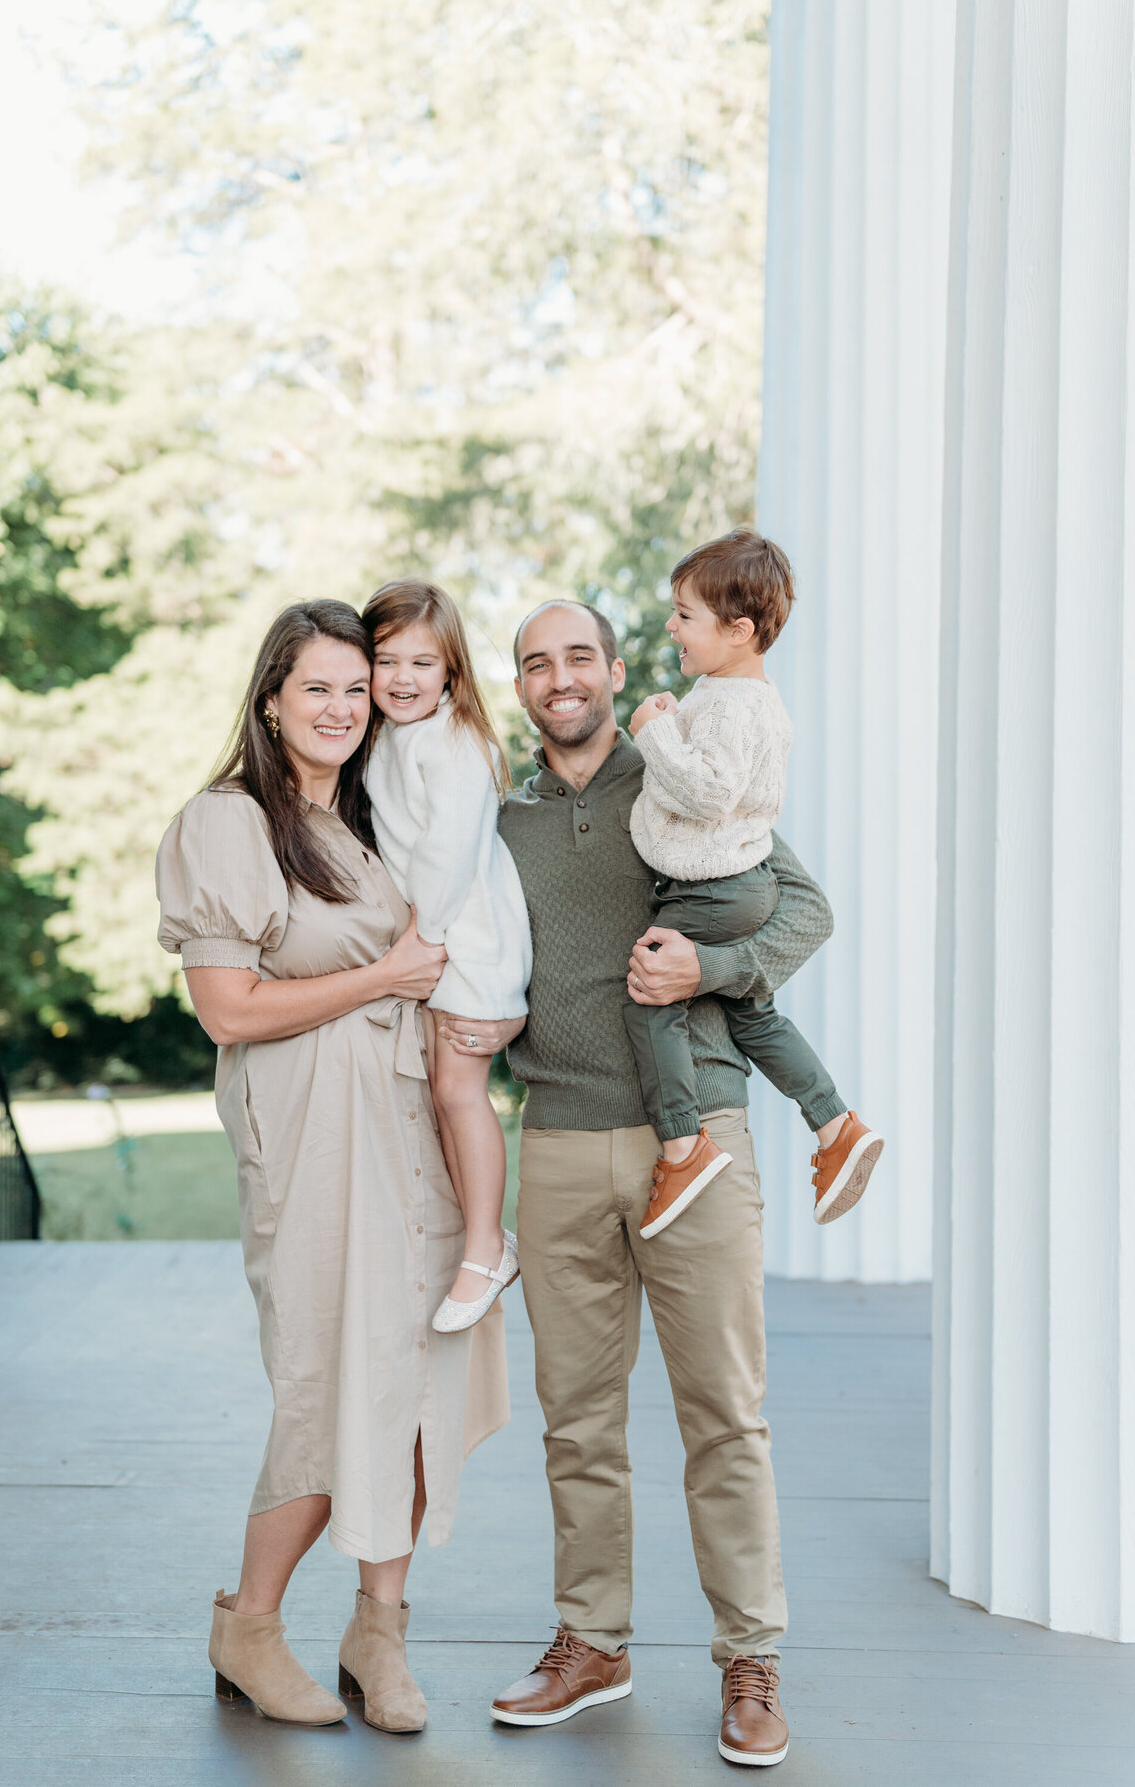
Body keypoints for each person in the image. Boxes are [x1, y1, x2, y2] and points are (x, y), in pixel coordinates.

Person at [436, 600, 833, 1768]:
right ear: (519, 688)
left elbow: (804, 908)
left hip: (693, 1138)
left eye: (577, 656)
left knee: (724, 1413)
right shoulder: (497, 821)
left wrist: (711, 964)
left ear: (615, 671)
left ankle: (750, 1657)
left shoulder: (680, 779)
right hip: (555, 1139)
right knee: (579, 1422)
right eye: (533, 663)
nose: (557, 677)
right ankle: (590, 1641)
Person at [155, 599, 508, 1737]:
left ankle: (379, 1630)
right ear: (269, 697)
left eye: (358, 689)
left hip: (409, 1127)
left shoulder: (369, 815)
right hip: (309, 1136)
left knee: (413, 1383)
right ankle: (249, 1623)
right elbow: (229, 1008)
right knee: (320, 1387)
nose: (345, 707)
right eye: (319, 687)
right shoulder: (229, 823)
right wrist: (383, 975)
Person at [624, 530, 884, 1237]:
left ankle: (682, 1145)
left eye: (684, 614)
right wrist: (680, 723)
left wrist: (652, 731)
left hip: (710, 889)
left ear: (738, 631)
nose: (672, 626)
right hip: (736, 884)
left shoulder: (736, 703)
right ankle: (835, 1124)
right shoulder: (733, 693)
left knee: (651, 996)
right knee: (753, 1014)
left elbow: (708, 791)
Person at [363, 578, 531, 1332]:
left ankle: (486, 1248)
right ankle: (482, 1239)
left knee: (461, 1091)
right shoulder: (389, 740)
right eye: (385, 659)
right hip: (436, 940)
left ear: (452, 675)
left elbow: (449, 852)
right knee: (441, 1091)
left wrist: (419, 941)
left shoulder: (456, 741)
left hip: (466, 936)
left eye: (421, 664)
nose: (401, 678)